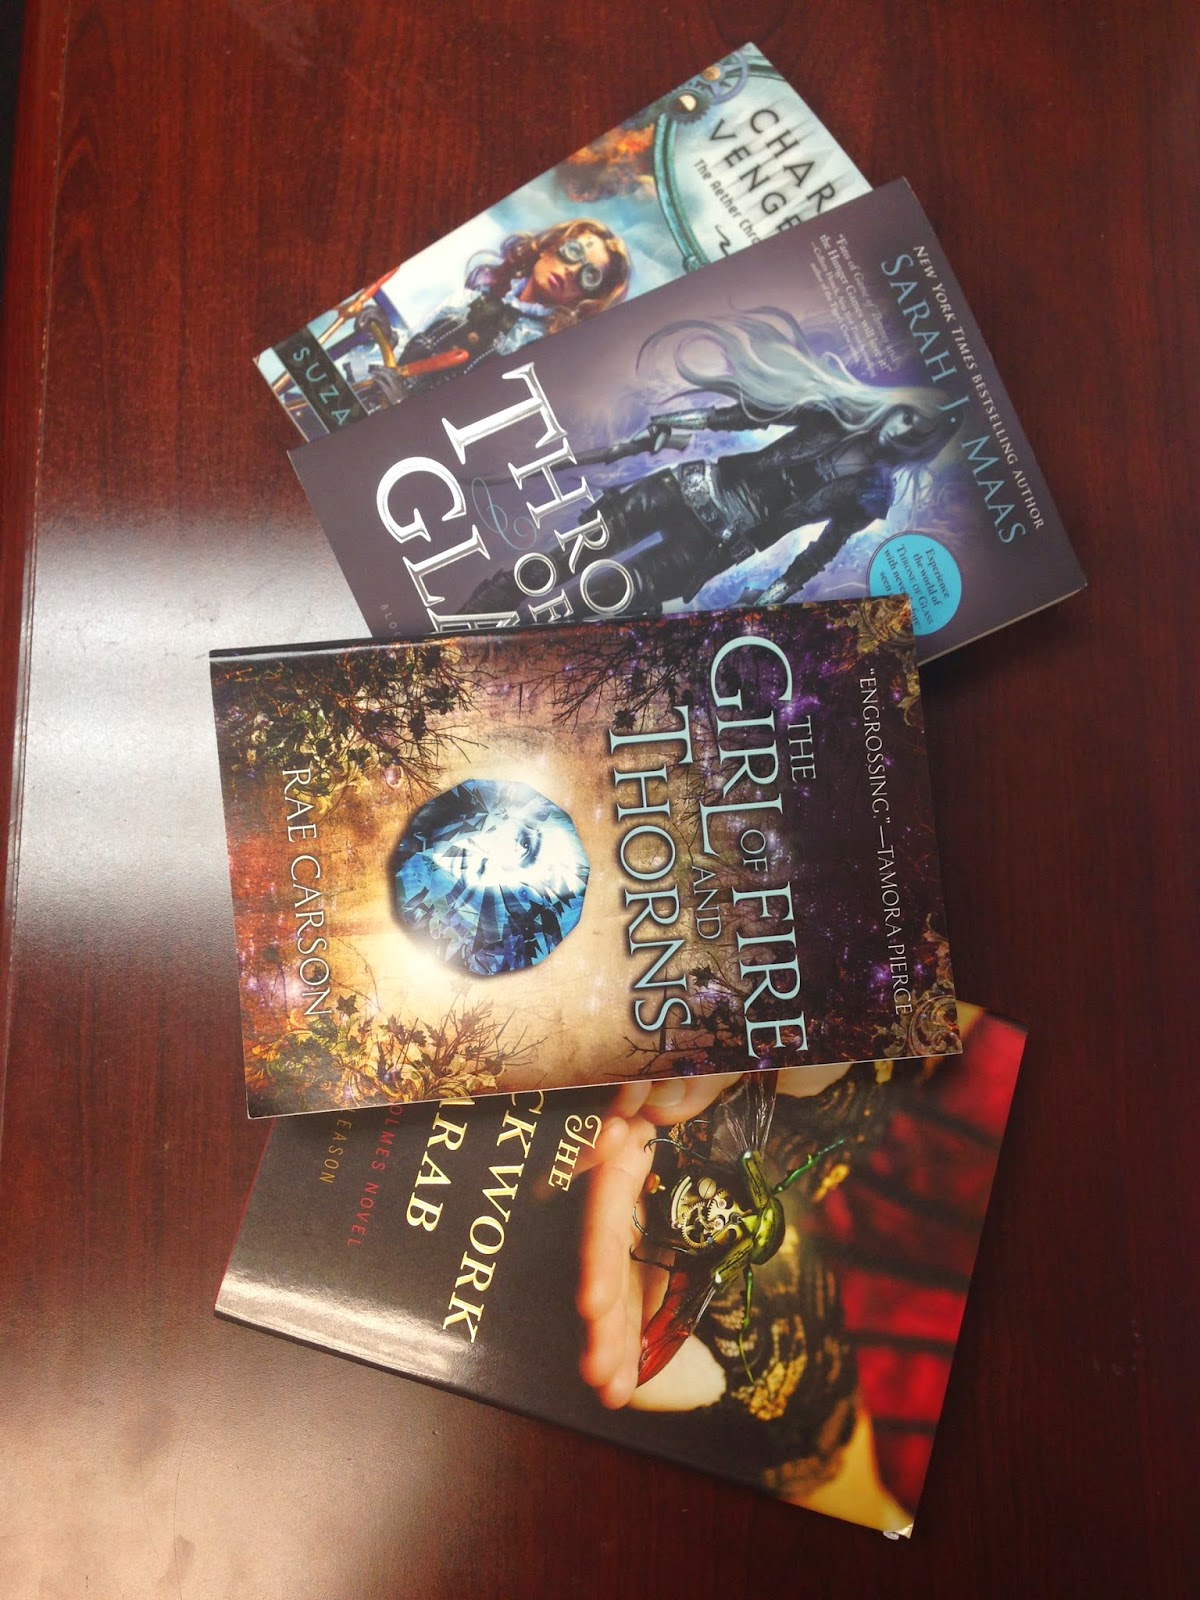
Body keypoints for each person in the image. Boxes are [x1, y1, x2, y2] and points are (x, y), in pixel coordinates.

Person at [466, 307, 961, 618]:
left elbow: (820, 553)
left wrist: (770, 598)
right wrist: (672, 423)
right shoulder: (832, 414)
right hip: (684, 488)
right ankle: (480, 611)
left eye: (918, 433)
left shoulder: (872, 495)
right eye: (908, 416)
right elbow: (744, 415)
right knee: (559, 561)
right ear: (898, 404)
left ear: (921, 446)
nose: (903, 430)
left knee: (584, 604)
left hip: (714, 546)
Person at [364, 219, 631, 402]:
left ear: (585, 297)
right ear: (549, 248)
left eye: (589, 276)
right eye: (573, 252)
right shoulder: (468, 299)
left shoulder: (539, 352)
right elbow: (406, 349)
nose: (572, 270)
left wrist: (402, 405)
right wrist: (384, 335)